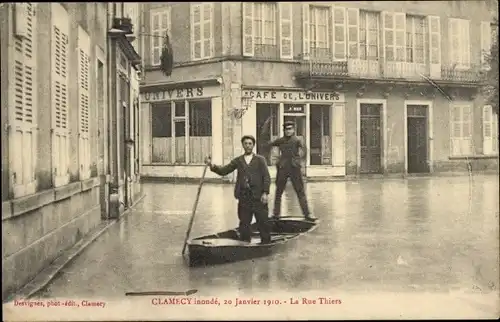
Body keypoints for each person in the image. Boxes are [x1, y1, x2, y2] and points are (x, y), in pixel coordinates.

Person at [204, 135, 272, 244]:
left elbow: (266, 177)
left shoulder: (260, 160)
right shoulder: (238, 161)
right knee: (244, 224)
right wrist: (211, 165)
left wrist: (265, 193)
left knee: (263, 223)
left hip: (258, 198)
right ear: (243, 145)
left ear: (253, 145)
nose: (248, 146)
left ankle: (267, 245)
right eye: (246, 144)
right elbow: (224, 170)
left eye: (250, 144)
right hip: (244, 198)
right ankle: (244, 246)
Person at [267, 121, 317, 221]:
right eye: (286, 129)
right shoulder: (280, 140)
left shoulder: (298, 140)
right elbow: (269, 145)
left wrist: (300, 163)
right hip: (283, 168)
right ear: (284, 130)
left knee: (300, 191)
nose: (288, 131)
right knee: (278, 192)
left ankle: (307, 214)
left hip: (294, 168)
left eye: (290, 129)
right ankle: (276, 214)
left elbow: (304, 153)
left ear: (293, 130)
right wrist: (275, 159)